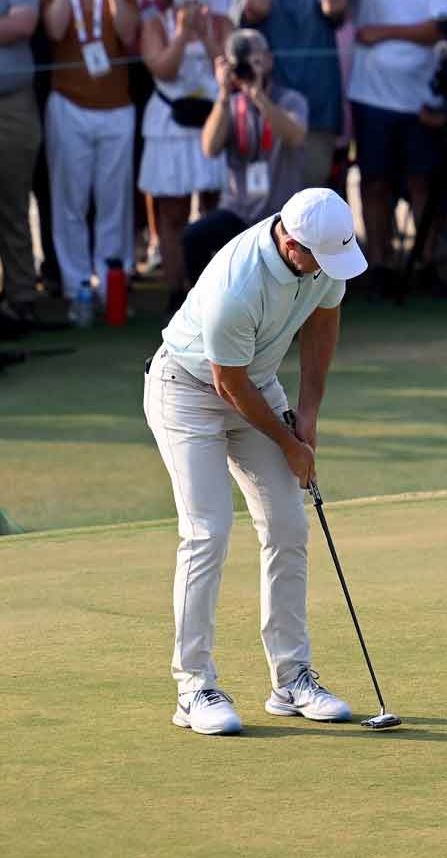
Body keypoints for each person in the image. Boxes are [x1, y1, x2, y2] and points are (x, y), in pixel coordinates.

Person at [144, 185, 366, 736]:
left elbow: (324, 323)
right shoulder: (236, 284)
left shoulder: (325, 254)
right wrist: (290, 445)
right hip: (187, 389)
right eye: (320, 259)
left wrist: (308, 414)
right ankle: (193, 687)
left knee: (288, 525)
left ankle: (291, 680)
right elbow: (228, 383)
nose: (329, 269)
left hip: (256, 385)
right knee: (207, 531)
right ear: (291, 245)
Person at [340, 0, 447, 273]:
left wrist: (383, 32)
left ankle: (424, 261)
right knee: (375, 183)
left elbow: (439, 28)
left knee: (423, 182)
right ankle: (378, 264)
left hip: (419, 97)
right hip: (372, 97)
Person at [40, 0, 142, 311]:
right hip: (69, 106)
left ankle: (111, 279)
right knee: (70, 200)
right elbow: (55, 30)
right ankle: (76, 283)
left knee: (114, 200)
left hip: (116, 108)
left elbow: (127, 32)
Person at [139, 0, 226, 314]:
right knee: (172, 211)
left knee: (214, 209)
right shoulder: (155, 25)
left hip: (212, 119)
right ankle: (176, 291)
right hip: (171, 123)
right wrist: (181, 35)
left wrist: (205, 35)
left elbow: (227, 66)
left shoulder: (220, 22)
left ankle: (216, 292)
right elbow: (163, 69)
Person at [184, 29, 310, 280]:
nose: (246, 68)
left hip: (280, 216)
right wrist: (222, 94)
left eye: (253, 59)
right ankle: (202, 301)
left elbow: (295, 136)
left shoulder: (290, 100)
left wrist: (259, 96)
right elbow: (209, 147)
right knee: (193, 237)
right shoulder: (229, 105)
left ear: (269, 60)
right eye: (240, 63)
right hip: (238, 213)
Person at [243, 0, 345, 195]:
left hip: (317, 119)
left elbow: (335, 7)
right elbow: (257, 8)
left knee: (308, 208)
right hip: (269, 118)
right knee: (270, 210)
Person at [0, 0, 41, 328]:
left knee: (13, 205)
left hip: (12, 105)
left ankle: (21, 296)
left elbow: (23, 23)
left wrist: (9, 25)